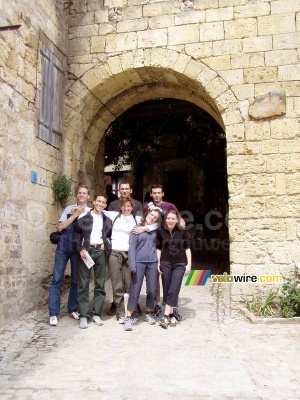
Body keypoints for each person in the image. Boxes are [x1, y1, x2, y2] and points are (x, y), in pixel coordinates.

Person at [48, 185, 91, 326]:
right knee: (57, 279)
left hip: (78, 249)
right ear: (77, 195)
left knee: (75, 281)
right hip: (63, 246)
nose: (82, 195)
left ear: (88, 196)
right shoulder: (68, 209)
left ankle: (72, 309)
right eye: (80, 193)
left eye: (84, 193)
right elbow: (60, 227)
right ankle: (53, 313)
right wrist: (75, 214)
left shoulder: (91, 211)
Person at [142, 183, 185, 320]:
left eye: (158, 192)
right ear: (151, 194)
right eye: (154, 193)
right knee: (157, 275)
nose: (156, 195)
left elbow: (181, 221)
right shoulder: (146, 207)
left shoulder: (170, 206)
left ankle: (173, 307)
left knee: (173, 279)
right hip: (153, 242)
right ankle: (158, 304)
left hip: (168, 243)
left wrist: (179, 232)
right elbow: (144, 222)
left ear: (163, 193)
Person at [73, 194, 112, 329]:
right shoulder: (84, 218)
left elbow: (109, 237)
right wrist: (80, 249)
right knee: (83, 283)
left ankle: (96, 313)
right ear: (94, 202)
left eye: (103, 202)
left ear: (105, 205)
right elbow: (76, 236)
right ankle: (84, 315)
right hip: (87, 252)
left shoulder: (107, 220)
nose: (100, 204)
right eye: (98, 201)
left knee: (100, 283)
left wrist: (106, 244)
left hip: (100, 252)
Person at [107, 180, 143, 315]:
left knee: (130, 281)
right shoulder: (112, 205)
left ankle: (133, 304)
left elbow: (145, 222)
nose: (124, 191)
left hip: (131, 250)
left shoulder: (138, 204)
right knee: (117, 281)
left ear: (130, 190)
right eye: (122, 188)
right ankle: (117, 305)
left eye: (126, 188)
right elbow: (106, 222)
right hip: (116, 248)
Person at [123, 208, 161, 331]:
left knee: (152, 289)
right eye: (151, 215)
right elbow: (132, 248)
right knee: (135, 289)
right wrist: (132, 265)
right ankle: (129, 316)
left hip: (152, 262)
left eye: (155, 217)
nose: (152, 217)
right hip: (139, 262)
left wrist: (147, 228)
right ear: (146, 214)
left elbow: (161, 224)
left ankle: (149, 313)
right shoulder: (135, 229)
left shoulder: (155, 230)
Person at [156, 209, 191, 329]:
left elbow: (187, 248)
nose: (170, 221)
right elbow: (158, 248)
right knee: (167, 287)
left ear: (177, 220)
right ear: (165, 219)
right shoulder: (160, 232)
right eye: (168, 218)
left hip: (180, 264)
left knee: (174, 287)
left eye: (173, 219)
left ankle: (165, 315)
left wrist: (189, 264)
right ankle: (172, 316)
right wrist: (158, 263)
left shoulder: (182, 232)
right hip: (166, 263)